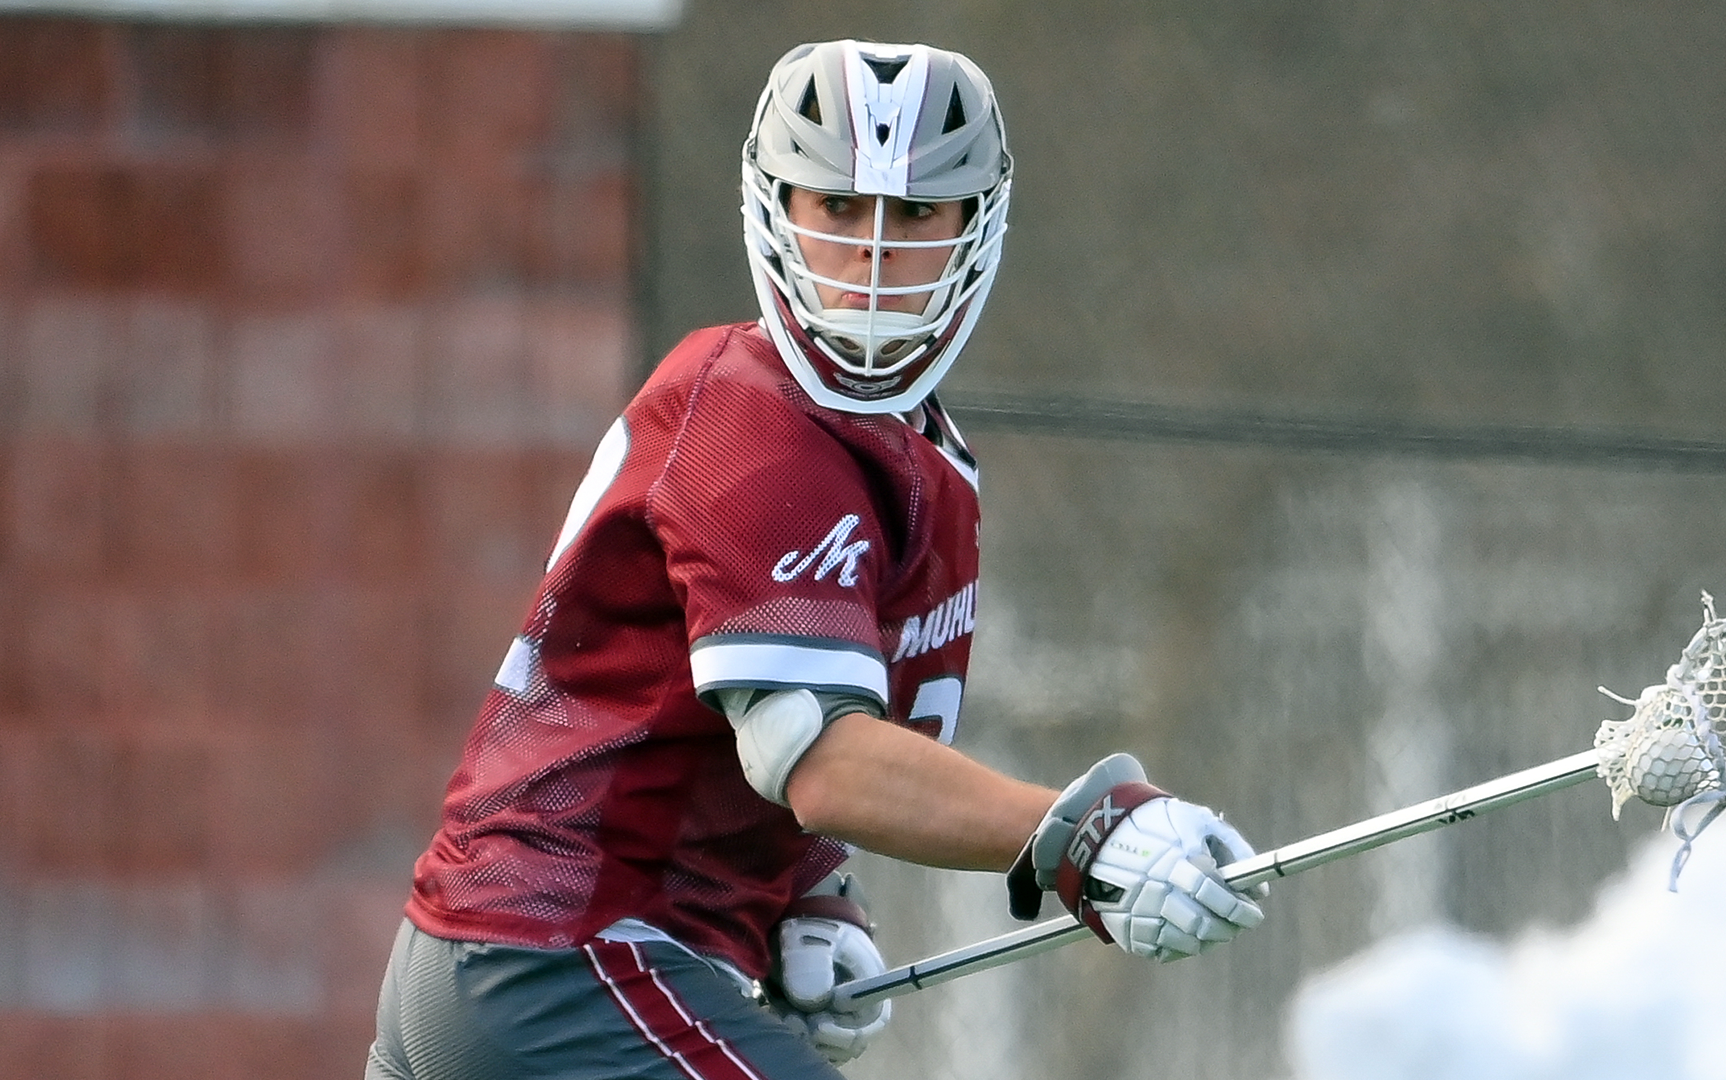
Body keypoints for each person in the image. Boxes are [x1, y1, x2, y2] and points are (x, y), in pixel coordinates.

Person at [365, 39, 1267, 1080]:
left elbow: (738, 738)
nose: (873, 256)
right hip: (562, 960)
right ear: (773, 207)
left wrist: (805, 897)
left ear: (980, 227)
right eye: (838, 209)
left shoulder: (925, 460)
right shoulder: (752, 413)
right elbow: (825, 763)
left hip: (528, 967)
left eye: (916, 215)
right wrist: (1084, 836)